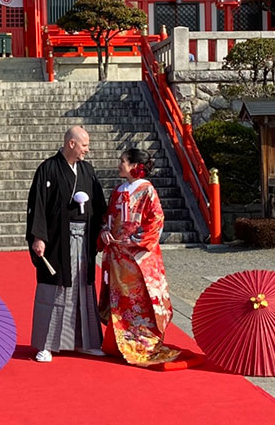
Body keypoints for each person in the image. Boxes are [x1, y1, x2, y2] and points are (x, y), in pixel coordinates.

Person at [26, 126, 107, 363]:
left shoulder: (87, 170)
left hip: (84, 239)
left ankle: (87, 342)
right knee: (56, 288)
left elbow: (99, 204)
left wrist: (104, 227)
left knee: (83, 285)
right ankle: (46, 344)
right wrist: (38, 237)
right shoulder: (48, 169)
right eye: (84, 146)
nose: (87, 150)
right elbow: (37, 205)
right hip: (58, 240)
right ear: (71, 143)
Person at [97, 147, 180, 366]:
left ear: (135, 165)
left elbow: (156, 220)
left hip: (137, 257)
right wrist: (105, 230)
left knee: (139, 300)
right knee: (120, 301)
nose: (119, 164)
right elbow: (109, 217)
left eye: (123, 161)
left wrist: (134, 241)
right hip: (117, 255)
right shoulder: (118, 190)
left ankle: (141, 344)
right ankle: (119, 344)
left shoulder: (147, 190)